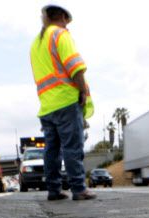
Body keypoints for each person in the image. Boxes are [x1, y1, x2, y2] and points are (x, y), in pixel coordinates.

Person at [30, 4, 95, 201]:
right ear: (63, 18)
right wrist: (83, 92)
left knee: (52, 150)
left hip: (47, 106)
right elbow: (75, 67)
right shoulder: (60, 35)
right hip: (66, 100)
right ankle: (78, 188)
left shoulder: (36, 43)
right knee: (72, 147)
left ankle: (54, 189)